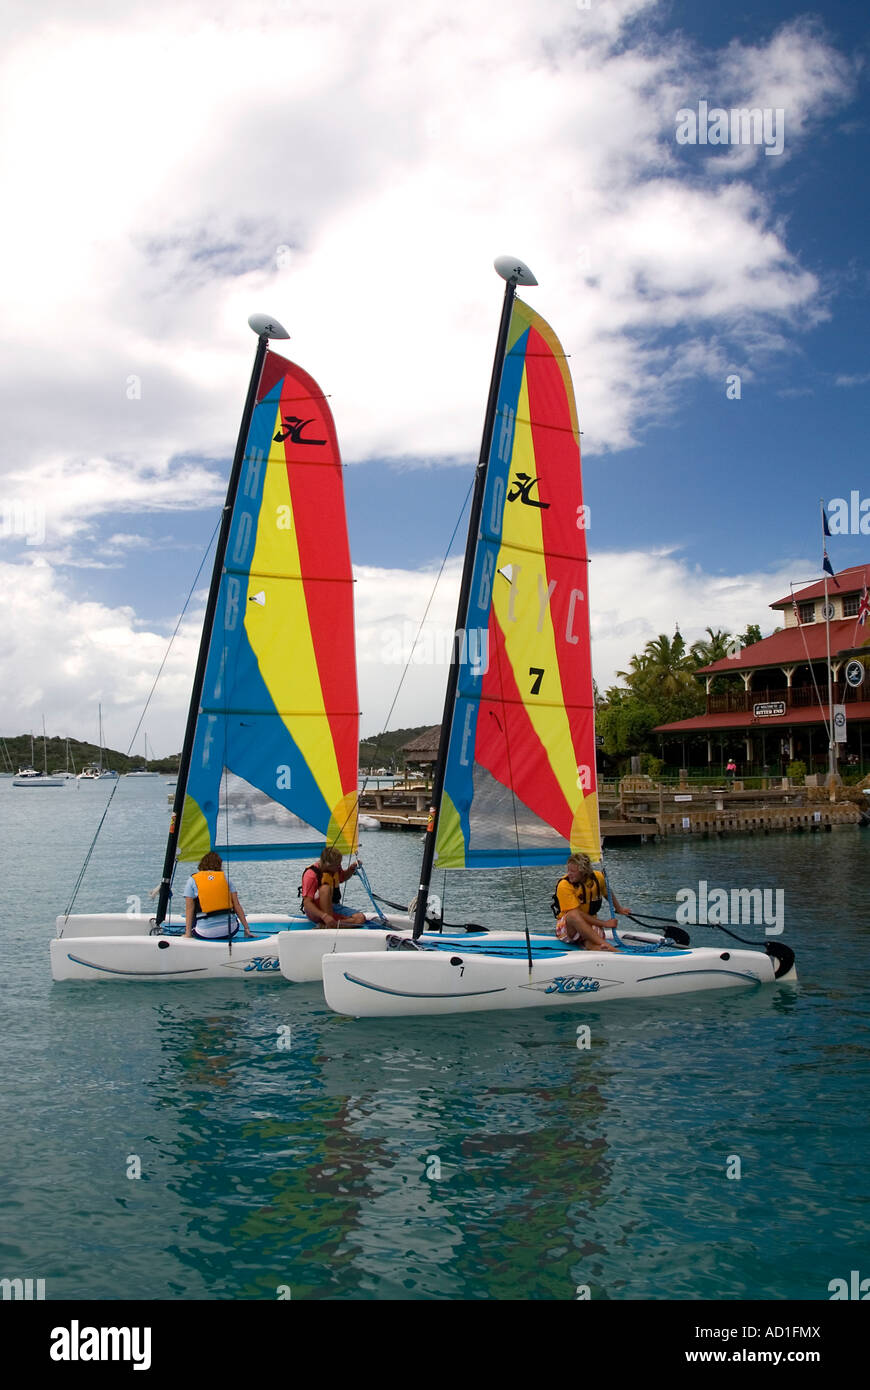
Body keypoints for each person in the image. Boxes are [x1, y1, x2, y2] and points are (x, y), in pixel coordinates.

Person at [552, 853, 630, 951]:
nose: (569, 874)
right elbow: (577, 914)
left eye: (573, 871)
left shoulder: (598, 878)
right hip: (568, 930)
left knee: (590, 940)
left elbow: (608, 893)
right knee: (573, 915)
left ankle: (599, 948)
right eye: (568, 870)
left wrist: (619, 909)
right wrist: (604, 924)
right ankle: (608, 946)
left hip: (589, 925)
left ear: (583, 872)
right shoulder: (564, 885)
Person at [184, 851, 253, 940]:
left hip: (205, 933)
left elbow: (189, 909)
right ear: (219, 864)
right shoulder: (225, 878)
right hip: (231, 930)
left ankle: (189, 932)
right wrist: (246, 928)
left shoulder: (192, 880)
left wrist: (188, 934)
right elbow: (237, 905)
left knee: (194, 906)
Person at [300, 848, 366, 928]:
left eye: (339, 864)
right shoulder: (311, 875)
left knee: (360, 918)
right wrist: (324, 916)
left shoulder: (335, 868)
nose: (339, 867)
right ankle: (329, 923)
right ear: (327, 864)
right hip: (316, 911)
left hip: (334, 907)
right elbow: (307, 903)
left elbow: (342, 877)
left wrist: (351, 869)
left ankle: (329, 925)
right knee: (325, 888)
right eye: (337, 865)